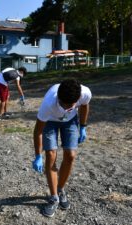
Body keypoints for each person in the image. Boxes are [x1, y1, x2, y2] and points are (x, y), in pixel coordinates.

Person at [32, 79, 91, 217]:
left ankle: (60, 189)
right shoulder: (48, 104)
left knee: (70, 155)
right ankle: (53, 197)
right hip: (50, 122)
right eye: (63, 106)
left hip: (70, 121)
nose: (65, 109)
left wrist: (83, 126)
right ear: (58, 98)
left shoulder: (85, 93)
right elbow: (38, 131)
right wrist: (38, 155)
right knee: (51, 155)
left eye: (70, 107)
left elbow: (85, 106)